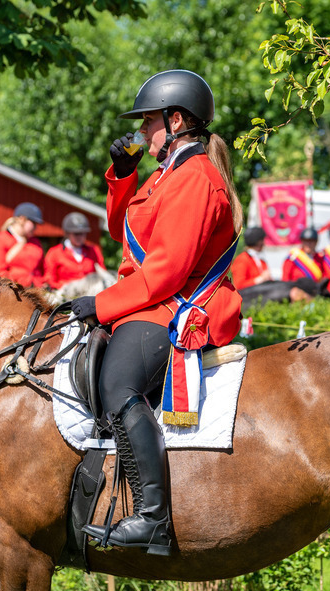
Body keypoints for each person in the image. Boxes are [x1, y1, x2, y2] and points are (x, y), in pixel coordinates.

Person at [68, 69, 242, 556]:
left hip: (178, 304)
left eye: (149, 122)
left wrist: (101, 304)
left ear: (176, 120)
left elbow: (165, 271)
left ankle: (152, 518)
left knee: (118, 384)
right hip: (150, 299)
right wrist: (124, 176)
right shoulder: (167, 175)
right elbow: (123, 232)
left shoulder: (195, 178)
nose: (142, 131)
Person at [0, 202, 45, 287]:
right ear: (22, 219)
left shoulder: (36, 242)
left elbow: (43, 269)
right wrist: (23, 283)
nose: (35, 227)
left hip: (37, 290)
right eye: (33, 223)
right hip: (13, 290)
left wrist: (42, 283)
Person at [43, 212, 105, 290]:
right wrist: (65, 288)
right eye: (76, 234)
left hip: (89, 292)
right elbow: (49, 279)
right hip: (65, 293)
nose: (80, 237)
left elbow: (102, 273)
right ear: (68, 233)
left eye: (82, 234)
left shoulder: (94, 251)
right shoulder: (54, 253)